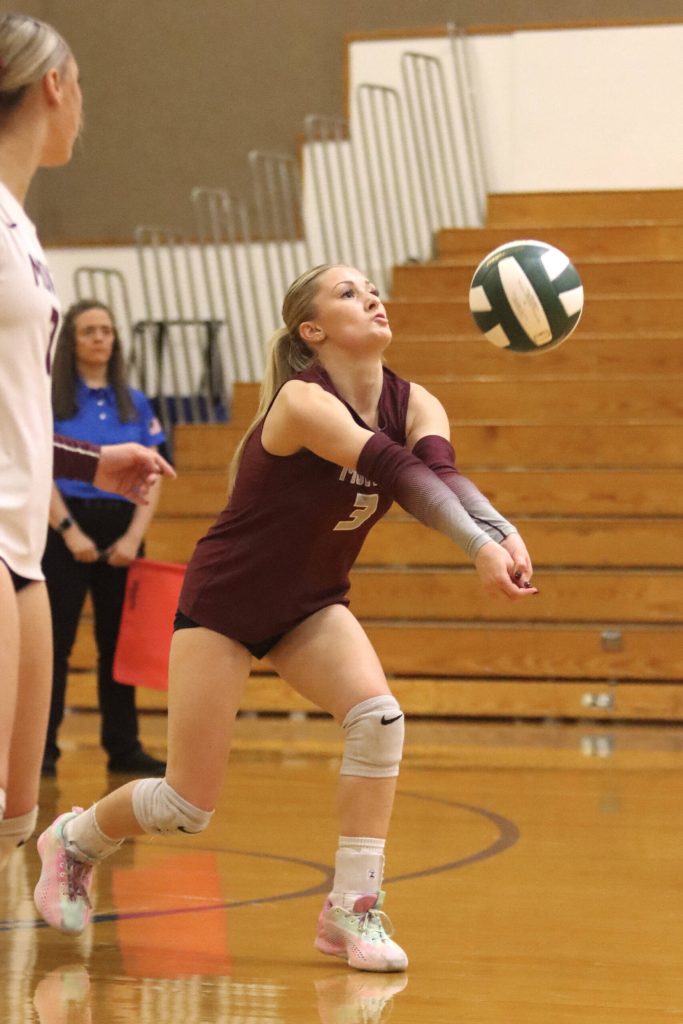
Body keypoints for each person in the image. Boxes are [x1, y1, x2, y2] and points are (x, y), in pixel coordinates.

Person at [34, 263, 537, 971]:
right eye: (347, 293)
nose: (371, 298)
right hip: (227, 603)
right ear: (312, 330)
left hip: (310, 604)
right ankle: (76, 840)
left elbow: (443, 476)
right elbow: (401, 476)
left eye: (371, 289)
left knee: (378, 719)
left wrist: (498, 529)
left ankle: (350, 911)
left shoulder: (414, 400)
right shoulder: (302, 403)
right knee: (186, 804)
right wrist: (479, 546)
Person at [0, 14, 174, 866]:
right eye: (83, 89)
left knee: (14, 813)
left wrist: (90, 459)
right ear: (53, 85)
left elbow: (19, 399)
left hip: (23, 541)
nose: (84, 110)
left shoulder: (23, 232)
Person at [41, 300, 167, 778]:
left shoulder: (133, 401)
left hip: (122, 530)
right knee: (54, 645)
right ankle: (43, 749)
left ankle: (124, 746)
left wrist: (135, 536)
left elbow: (153, 474)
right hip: (63, 529)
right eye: (89, 331)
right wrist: (69, 531)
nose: (99, 338)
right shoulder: (50, 401)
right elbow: (42, 470)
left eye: (107, 330)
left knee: (120, 646)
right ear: (70, 341)